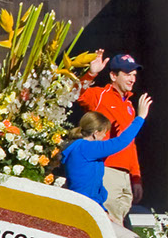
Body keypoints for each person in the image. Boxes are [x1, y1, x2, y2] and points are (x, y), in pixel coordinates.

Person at [58, 94, 153, 225]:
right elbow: (121, 142)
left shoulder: (82, 148)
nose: (105, 136)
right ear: (95, 133)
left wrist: (104, 211)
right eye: (104, 132)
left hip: (91, 207)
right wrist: (140, 117)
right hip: (85, 208)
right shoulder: (86, 148)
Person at [77, 53, 145, 218]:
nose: (132, 79)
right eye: (127, 74)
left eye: (134, 75)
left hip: (125, 175)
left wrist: (136, 177)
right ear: (113, 75)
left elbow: (131, 143)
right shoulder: (100, 95)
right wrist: (91, 73)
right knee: (110, 224)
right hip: (107, 170)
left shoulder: (129, 104)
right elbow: (76, 94)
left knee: (119, 222)